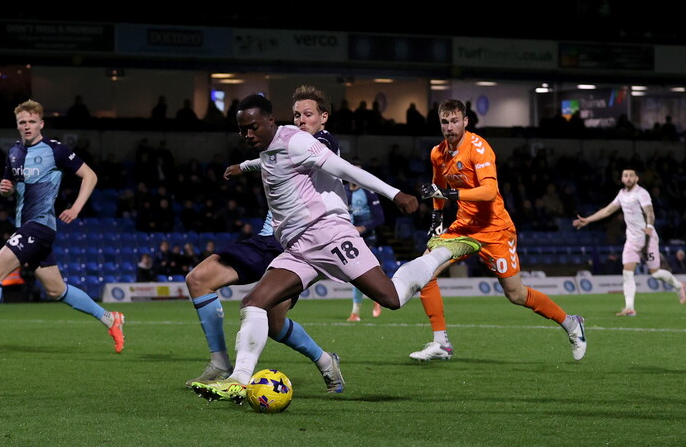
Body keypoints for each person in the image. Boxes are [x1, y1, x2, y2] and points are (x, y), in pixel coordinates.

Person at [191, 93, 477, 402]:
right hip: (298, 247)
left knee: (391, 298)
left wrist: (395, 194)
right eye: (242, 130)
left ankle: (442, 251)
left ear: (271, 121)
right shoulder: (269, 146)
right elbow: (268, 160)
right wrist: (243, 167)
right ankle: (238, 379)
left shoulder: (300, 141)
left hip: (328, 236)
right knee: (255, 302)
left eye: (253, 127)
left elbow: (346, 170)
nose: (248, 135)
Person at [184, 85, 352, 393]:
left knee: (265, 316)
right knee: (204, 282)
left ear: (323, 118)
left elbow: (306, 158)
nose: (301, 120)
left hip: (300, 243)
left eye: (308, 115)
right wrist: (244, 166)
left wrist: (247, 165)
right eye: (297, 115)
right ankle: (323, 362)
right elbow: (276, 157)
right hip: (269, 239)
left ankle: (242, 375)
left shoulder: (324, 143)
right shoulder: (285, 145)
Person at [409, 99, 587, 363]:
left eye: (455, 121)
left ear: (465, 121)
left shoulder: (479, 149)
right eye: (445, 122)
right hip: (464, 228)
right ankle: (441, 343)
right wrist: (437, 218)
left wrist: (449, 193)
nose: (449, 127)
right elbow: (437, 186)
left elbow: (489, 191)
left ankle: (571, 323)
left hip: (495, 229)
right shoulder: (438, 153)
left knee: (516, 294)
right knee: (425, 272)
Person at [0, 99, 124, 357]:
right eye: (22, 122)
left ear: (41, 123)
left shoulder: (56, 150)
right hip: (26, 225)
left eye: (31, 121)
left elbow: (90, 176)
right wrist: (4, 189)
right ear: (17, 126)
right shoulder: (14, 152)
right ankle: (109, 318)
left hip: (39, 225)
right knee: (56, 290)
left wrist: (75, 208)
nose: (27, 126)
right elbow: (12, 187)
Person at [573, 168, 686, 315]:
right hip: (632, 241)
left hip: (647, 239)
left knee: (655, 273)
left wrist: (650, 226)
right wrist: (587, 220)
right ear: (621, 179)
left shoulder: (642, 193)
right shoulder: (621, 195)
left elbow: (650, 212)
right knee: (627, 273)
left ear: (636, 179)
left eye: (631, 176)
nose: (628, 178)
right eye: (625, 176)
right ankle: (629, 308)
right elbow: (607, 211)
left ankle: (679, 286)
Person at [345, 160, 386, 321]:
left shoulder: (369, 193)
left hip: (367, 237)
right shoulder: (341, 191)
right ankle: (376, 297)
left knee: (358, 270)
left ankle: (356, 312)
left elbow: (380, 218)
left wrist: (363, 228)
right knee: (356, 272)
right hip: (348, 237)